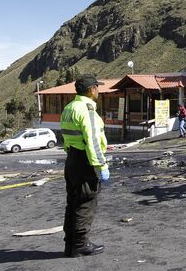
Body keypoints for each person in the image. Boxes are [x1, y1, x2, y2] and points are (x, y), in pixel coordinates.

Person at [60, 74, 109, 258]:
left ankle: (70, 244)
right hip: (85, 161)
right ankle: (80, 245)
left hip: (72, 159)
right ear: (91, 89)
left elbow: (66, 137)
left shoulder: (68, 108)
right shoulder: (87, 110)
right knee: (85, 203)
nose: (98, 90)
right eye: (97, 86)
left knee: (72, 202)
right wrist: (102, 165)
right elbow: (93, 142)